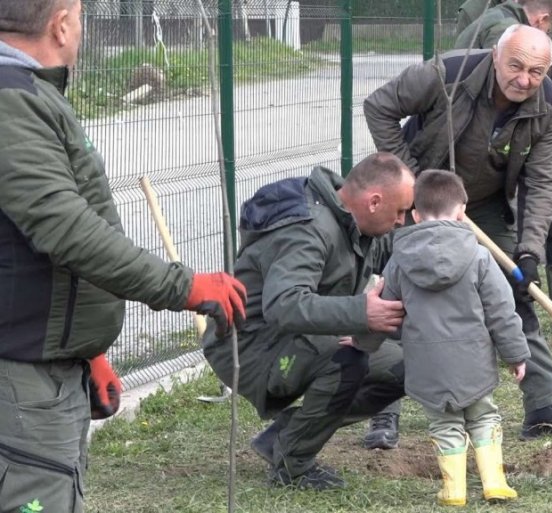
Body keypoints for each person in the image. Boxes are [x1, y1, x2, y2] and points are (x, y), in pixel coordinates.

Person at [0, 1, 247, 511]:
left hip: (42, 361)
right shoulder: (10, 99)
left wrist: (86, 349)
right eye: (82, 17)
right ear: (61, 23)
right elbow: (64, 229)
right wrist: (184, 286)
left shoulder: (28, 92)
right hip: (21, 377)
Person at [363, 25, 552, 448]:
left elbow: (541, 183)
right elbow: (378, 106)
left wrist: (529, 252)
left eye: (537, 72)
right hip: (419, 197)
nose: (524, 80)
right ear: (495, 56)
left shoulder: (548, 105)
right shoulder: (446, 73)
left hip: (481, 203)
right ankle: (382, 415)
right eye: (516, 66)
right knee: (394, 296)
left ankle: (545, 405)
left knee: (517, 293)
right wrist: (411, 180)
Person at [201, 153, 414, 491]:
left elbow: (402, 249)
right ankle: (292, 466)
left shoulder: (355, 223)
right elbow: (283, 306)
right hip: (251, 348)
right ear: (374, 202)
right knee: (346, 361)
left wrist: (444, 234)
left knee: (408, 368)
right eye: (400, 211)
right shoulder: (310, 230)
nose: (403, 221)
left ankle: (287, 435)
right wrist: (362, 313)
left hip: (299, 340)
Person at [346, 170, 530, 506]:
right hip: (473, 362)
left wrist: (361, 344)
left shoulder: (399, 261)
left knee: (445, 423)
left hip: (426, 365)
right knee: (484, 415)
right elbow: (502, 311)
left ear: (415, 215)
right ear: (462, 211)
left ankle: (454, 491)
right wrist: (516, 354)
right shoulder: (479, 257)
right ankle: (494, 483)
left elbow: (385, 310)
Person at [455, 0, 552, 338]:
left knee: (547, 204)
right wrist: (550, 87)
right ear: (539, 20)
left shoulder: (507, 17)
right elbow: (492, 79)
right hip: (504, 136)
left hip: (520, 128)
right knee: (550, 208)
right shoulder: (500, 29)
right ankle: (549, 306)